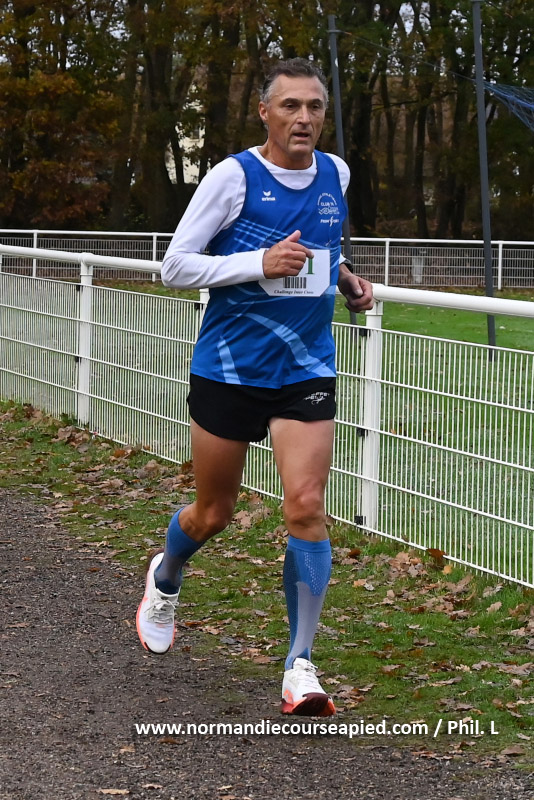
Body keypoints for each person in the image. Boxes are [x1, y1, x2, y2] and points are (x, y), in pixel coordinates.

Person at [136, 57, 374, 717]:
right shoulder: (233, 177)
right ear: (265, 113)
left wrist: (345, 278)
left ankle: (300, 665)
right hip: (230, 367)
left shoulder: (336, 174)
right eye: (290, 106)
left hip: (305, 367)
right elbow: (175, 267)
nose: (304, 118)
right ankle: (166, 575)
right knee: (213, 513)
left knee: (306, 505)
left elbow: (322, 245)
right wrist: (258, 263)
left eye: (315, 106)